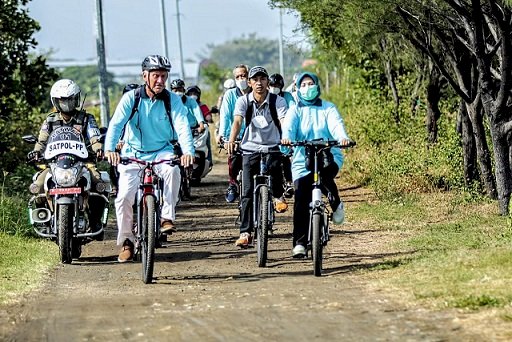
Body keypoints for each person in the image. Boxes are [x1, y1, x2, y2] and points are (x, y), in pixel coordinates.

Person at [105, 55, 194, 263]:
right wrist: (110, 149)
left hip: (162, 151)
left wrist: (188, 151)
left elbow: (182, 126)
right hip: (133, 153)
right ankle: (127, 242)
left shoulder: (172, 100)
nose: (160, 81)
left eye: (164, 76)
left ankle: (166, 217)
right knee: (124, 197)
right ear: (145, 76)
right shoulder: (132, 98)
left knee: (173, 171)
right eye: (156, 76)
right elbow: (116, 124)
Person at [281, 72, 352, 258]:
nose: (307, 87)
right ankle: (300, 243)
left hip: (328, 155)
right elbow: (288, 126)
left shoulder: (328, 108)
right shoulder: (295, 109)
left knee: (325, 175)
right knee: (301, 199)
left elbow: (336, 125)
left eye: (310, 83)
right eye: (303, 84)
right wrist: (286, 138)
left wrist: (342, 137)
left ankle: (335, 202)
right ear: (297, 88)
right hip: (301, 160)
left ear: (317, 86)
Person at [27, 79, 105, 234]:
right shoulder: (50, 120)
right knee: (38, 185)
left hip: (83, 162)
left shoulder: (86, 118)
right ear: (55, 101)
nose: (67, 104)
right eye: (62, 100)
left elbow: (94, 136)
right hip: (55, 164)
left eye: (70, 100)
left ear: (76, 99)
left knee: (98, 183)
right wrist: (36, 151)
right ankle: (44, 219)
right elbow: (42, 139)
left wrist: (98, 149)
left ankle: (95, 221)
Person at [226, 66, 289, 248]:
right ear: (250, 83)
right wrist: (231, 141)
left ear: (268, 82)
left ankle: (278, 196)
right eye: (255, 80)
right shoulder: (243, 101)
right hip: (249, 148)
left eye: (263, 79)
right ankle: (245, 232)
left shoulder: (277, 101)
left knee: (276, 167)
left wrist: (286, 136)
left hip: (272, 145)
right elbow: (237, 121)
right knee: (245, 193)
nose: (259, 83)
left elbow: (283, 120)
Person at [218, 64, 252, 203]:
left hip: (254, 136)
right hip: (236, 135)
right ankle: (233, 184)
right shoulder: (230, 95)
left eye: (243, 75)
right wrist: (223, 135)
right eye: (237, 76)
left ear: (249, 77)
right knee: (233, 159)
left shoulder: (256, 93)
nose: (241, 79)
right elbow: (225, 116)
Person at [268, 73, 296, 198]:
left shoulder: (287, 97)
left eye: (277, 85)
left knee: (285, 156)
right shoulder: (266, 97)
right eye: (272, 85)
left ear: (282, 86)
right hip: (269, 130)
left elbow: (294, 110)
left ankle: (289, 182)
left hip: (285, 129)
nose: (274, 87)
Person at [185, 85, 213, 167]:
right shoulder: (182, 105)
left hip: (200, 131)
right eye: (190, 93)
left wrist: (208, 120)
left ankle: (209, 160)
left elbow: (208, 117)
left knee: (208, 138)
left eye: (195, 93)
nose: (193, 95)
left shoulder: (202, 106)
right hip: (186, 130)